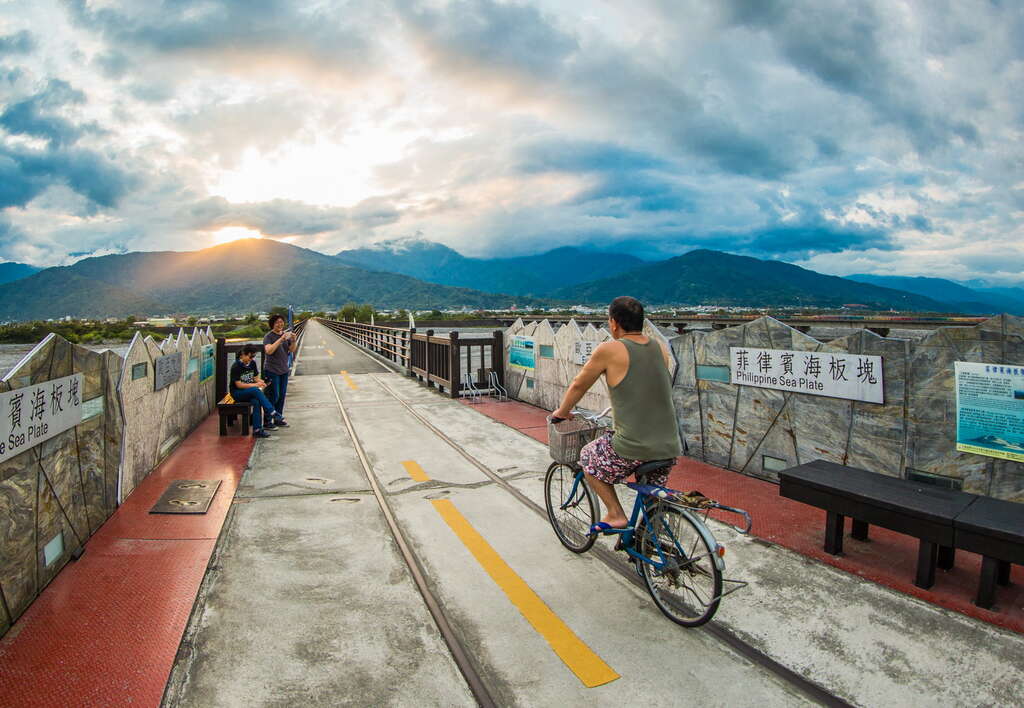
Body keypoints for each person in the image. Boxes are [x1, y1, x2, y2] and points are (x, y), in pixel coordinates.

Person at [551, 296, 681, 533]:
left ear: (614, 323)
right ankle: (651, 541)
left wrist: (562, 412)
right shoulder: (659, 348)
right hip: (669, 444)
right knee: (653, 502)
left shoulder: (610, 349)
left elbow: (579, 385)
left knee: (589, 456)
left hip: (633, 444)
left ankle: (615, 514)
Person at [230, 343, 279, 438]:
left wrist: (262, 382)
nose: (252, 358)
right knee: (256, 390)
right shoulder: (236, 366)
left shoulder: (252, 363)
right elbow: (239, 385)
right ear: (243, 354)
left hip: (248, 392)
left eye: (253, 356)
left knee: (256, 401)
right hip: (237, 393)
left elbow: (256, 378)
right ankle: (271, 411)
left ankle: (257, 430)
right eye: (250, 356)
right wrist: (256, 385)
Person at [263, 314, 296, 427]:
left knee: (281, 396)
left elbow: (290, 350)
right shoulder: (268, 336)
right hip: (272, 370)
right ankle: (268, 421)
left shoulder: (285, 336)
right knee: (273, 395)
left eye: (281, 322)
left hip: (283, 370)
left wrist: (293, 341)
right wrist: (281, 339)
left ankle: (278, 418)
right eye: (277, 322)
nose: (280, 324)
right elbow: (269, 351)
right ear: (272, 324)